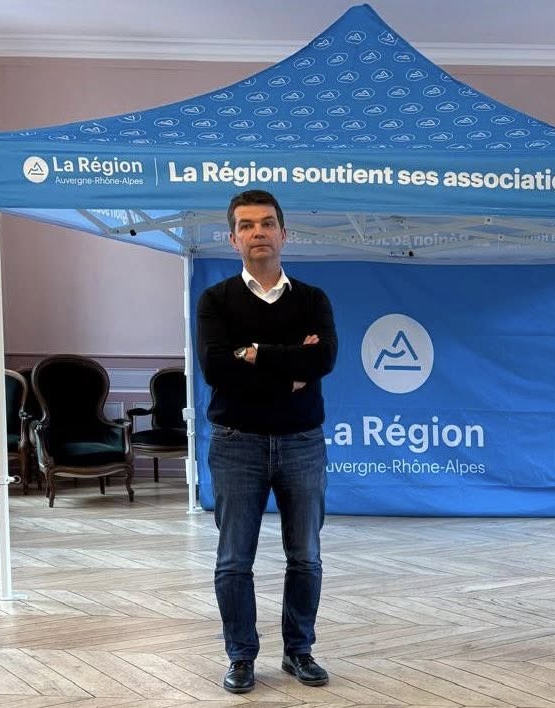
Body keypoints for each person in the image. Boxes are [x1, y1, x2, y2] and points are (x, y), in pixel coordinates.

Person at [197, 189, 338, 694]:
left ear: (284, 233)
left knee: (306, 557)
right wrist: (289, 367)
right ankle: (241, 657)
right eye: (247, 225)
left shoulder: (313, 299)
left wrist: (255, 354)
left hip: (302, 442)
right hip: (237, 443)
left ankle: (299, 651)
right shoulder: (215, 301)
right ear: (233, 239)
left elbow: (322, 361)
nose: (258, 232)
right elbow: (216, 367)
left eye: (267, 223)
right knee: (234, 560)